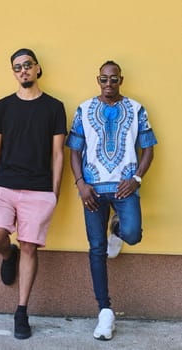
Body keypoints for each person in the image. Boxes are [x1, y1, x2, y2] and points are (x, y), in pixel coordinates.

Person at [66, 60, 157, 340]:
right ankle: (105, 312)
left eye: (114, 79)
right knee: (96, 248)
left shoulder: (136, 108)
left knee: (133, 234)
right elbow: (74, 151)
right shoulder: (83, 109)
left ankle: (117, 229)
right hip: (92, 191)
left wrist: (137, 179)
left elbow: (148, 148)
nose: (109, 84)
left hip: (123, 188)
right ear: (98, 80)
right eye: (104, 79)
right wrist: (80, 184)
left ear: (121, 80)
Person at [0, 48, 67, 340]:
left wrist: (54, 192)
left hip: (39, 188)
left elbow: (58, 155)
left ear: (37, 68)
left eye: (27, 65)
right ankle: (8, 255)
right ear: (14, 72)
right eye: (17, 67)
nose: (23, 71)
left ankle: (21, 312)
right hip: (4, 184)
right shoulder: (2, 106)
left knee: (30, 246)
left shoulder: (54, 107)